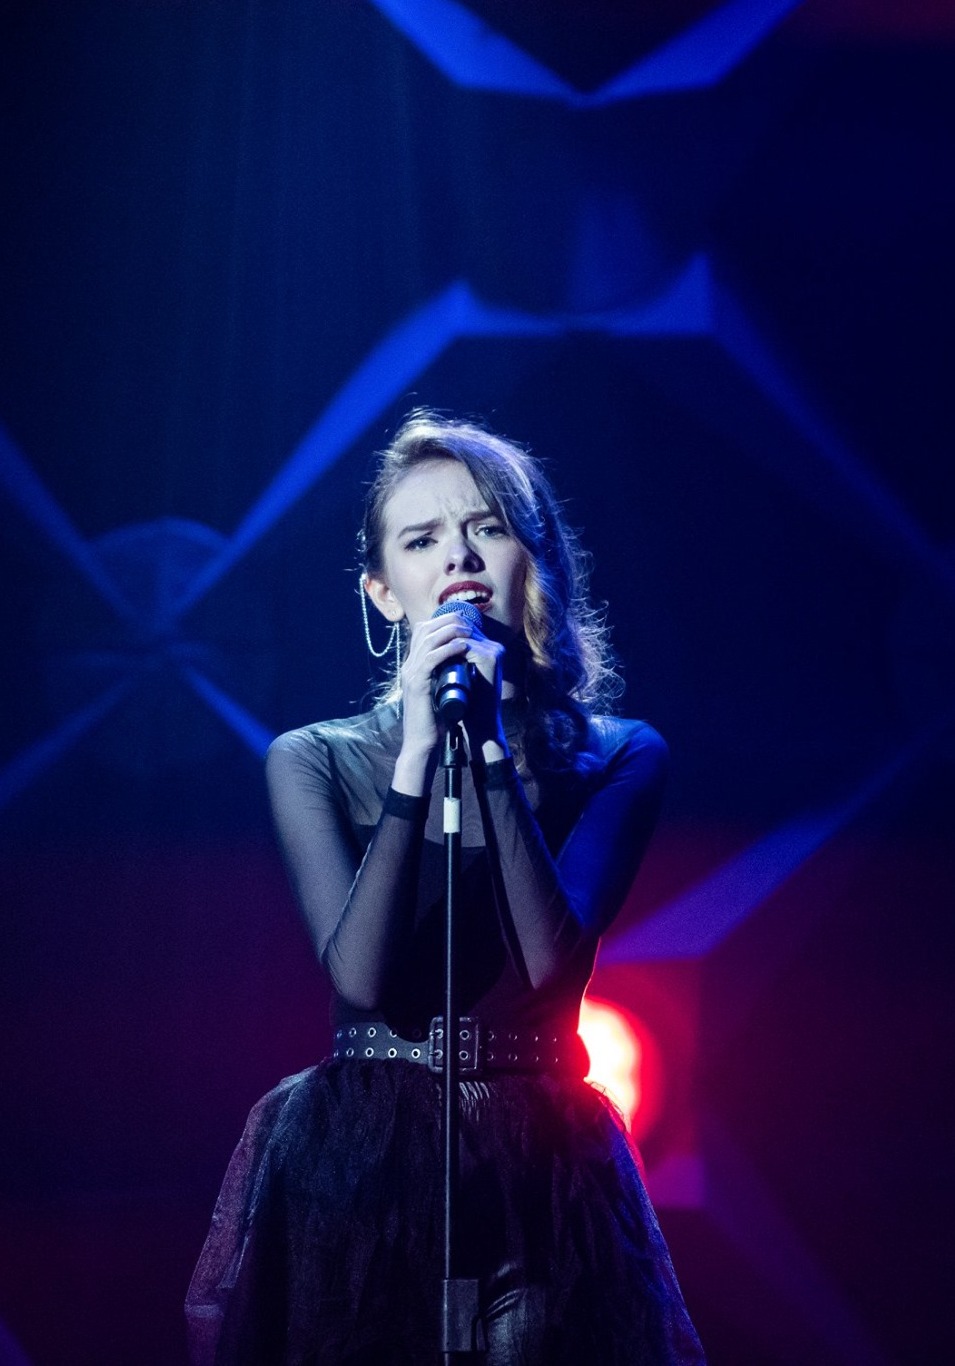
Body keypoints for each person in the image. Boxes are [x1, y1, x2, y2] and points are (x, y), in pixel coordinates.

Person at [185, 411, 705, 1364]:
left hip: (538, 1164)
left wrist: (491, 752)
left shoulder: (618, 755)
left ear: (534, 561)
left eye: (486, 527)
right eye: (422, 539)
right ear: (383, 593)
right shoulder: (312, 759)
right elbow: (360, 976)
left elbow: (551, 962)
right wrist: (418, 754)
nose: (458, 555)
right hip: (363, 1156)